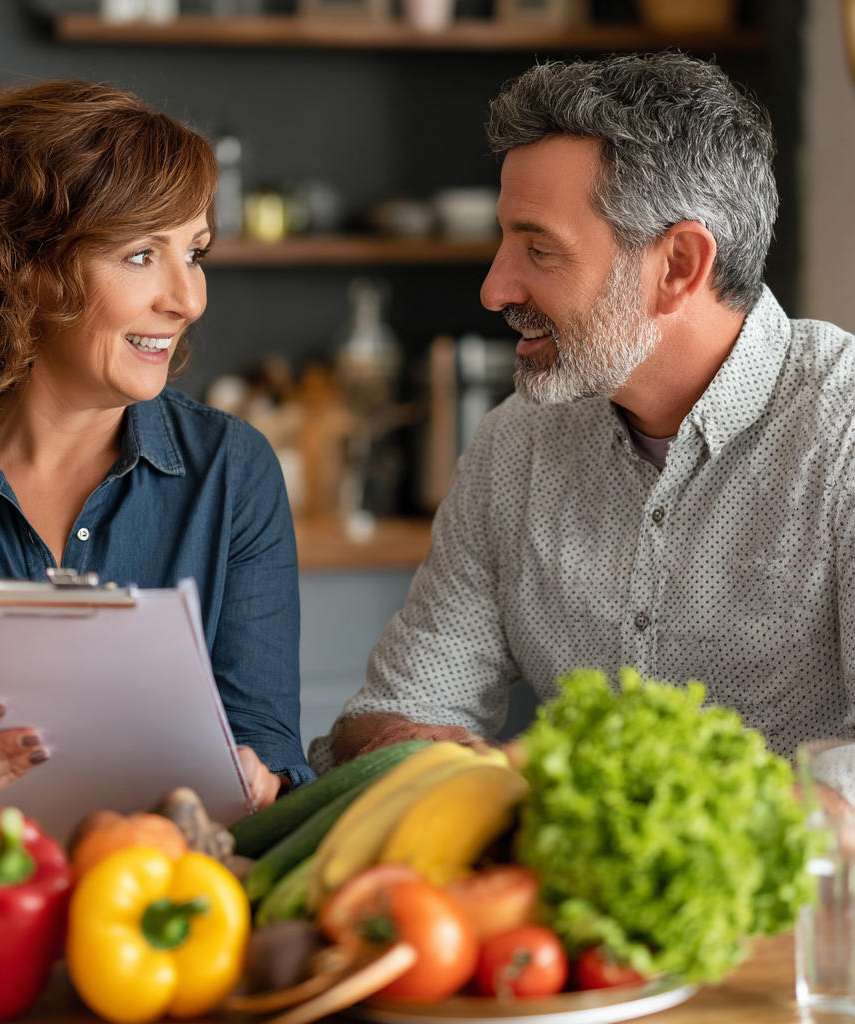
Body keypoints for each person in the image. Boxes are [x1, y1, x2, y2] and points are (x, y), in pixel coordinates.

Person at [309, 51, 855, 772]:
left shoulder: (841, 428)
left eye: (539, 249)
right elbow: (409, 702)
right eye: (504, 241)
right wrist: (401, 746)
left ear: (679, 265)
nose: (495, 288)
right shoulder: (515, 445)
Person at [0, 81, 313, 875]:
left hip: (174, 923)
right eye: (139, 255)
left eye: (193, 252)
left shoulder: (232, 471)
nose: (187, 297)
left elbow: (272, 758)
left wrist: (260, 784)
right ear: (23, 267)